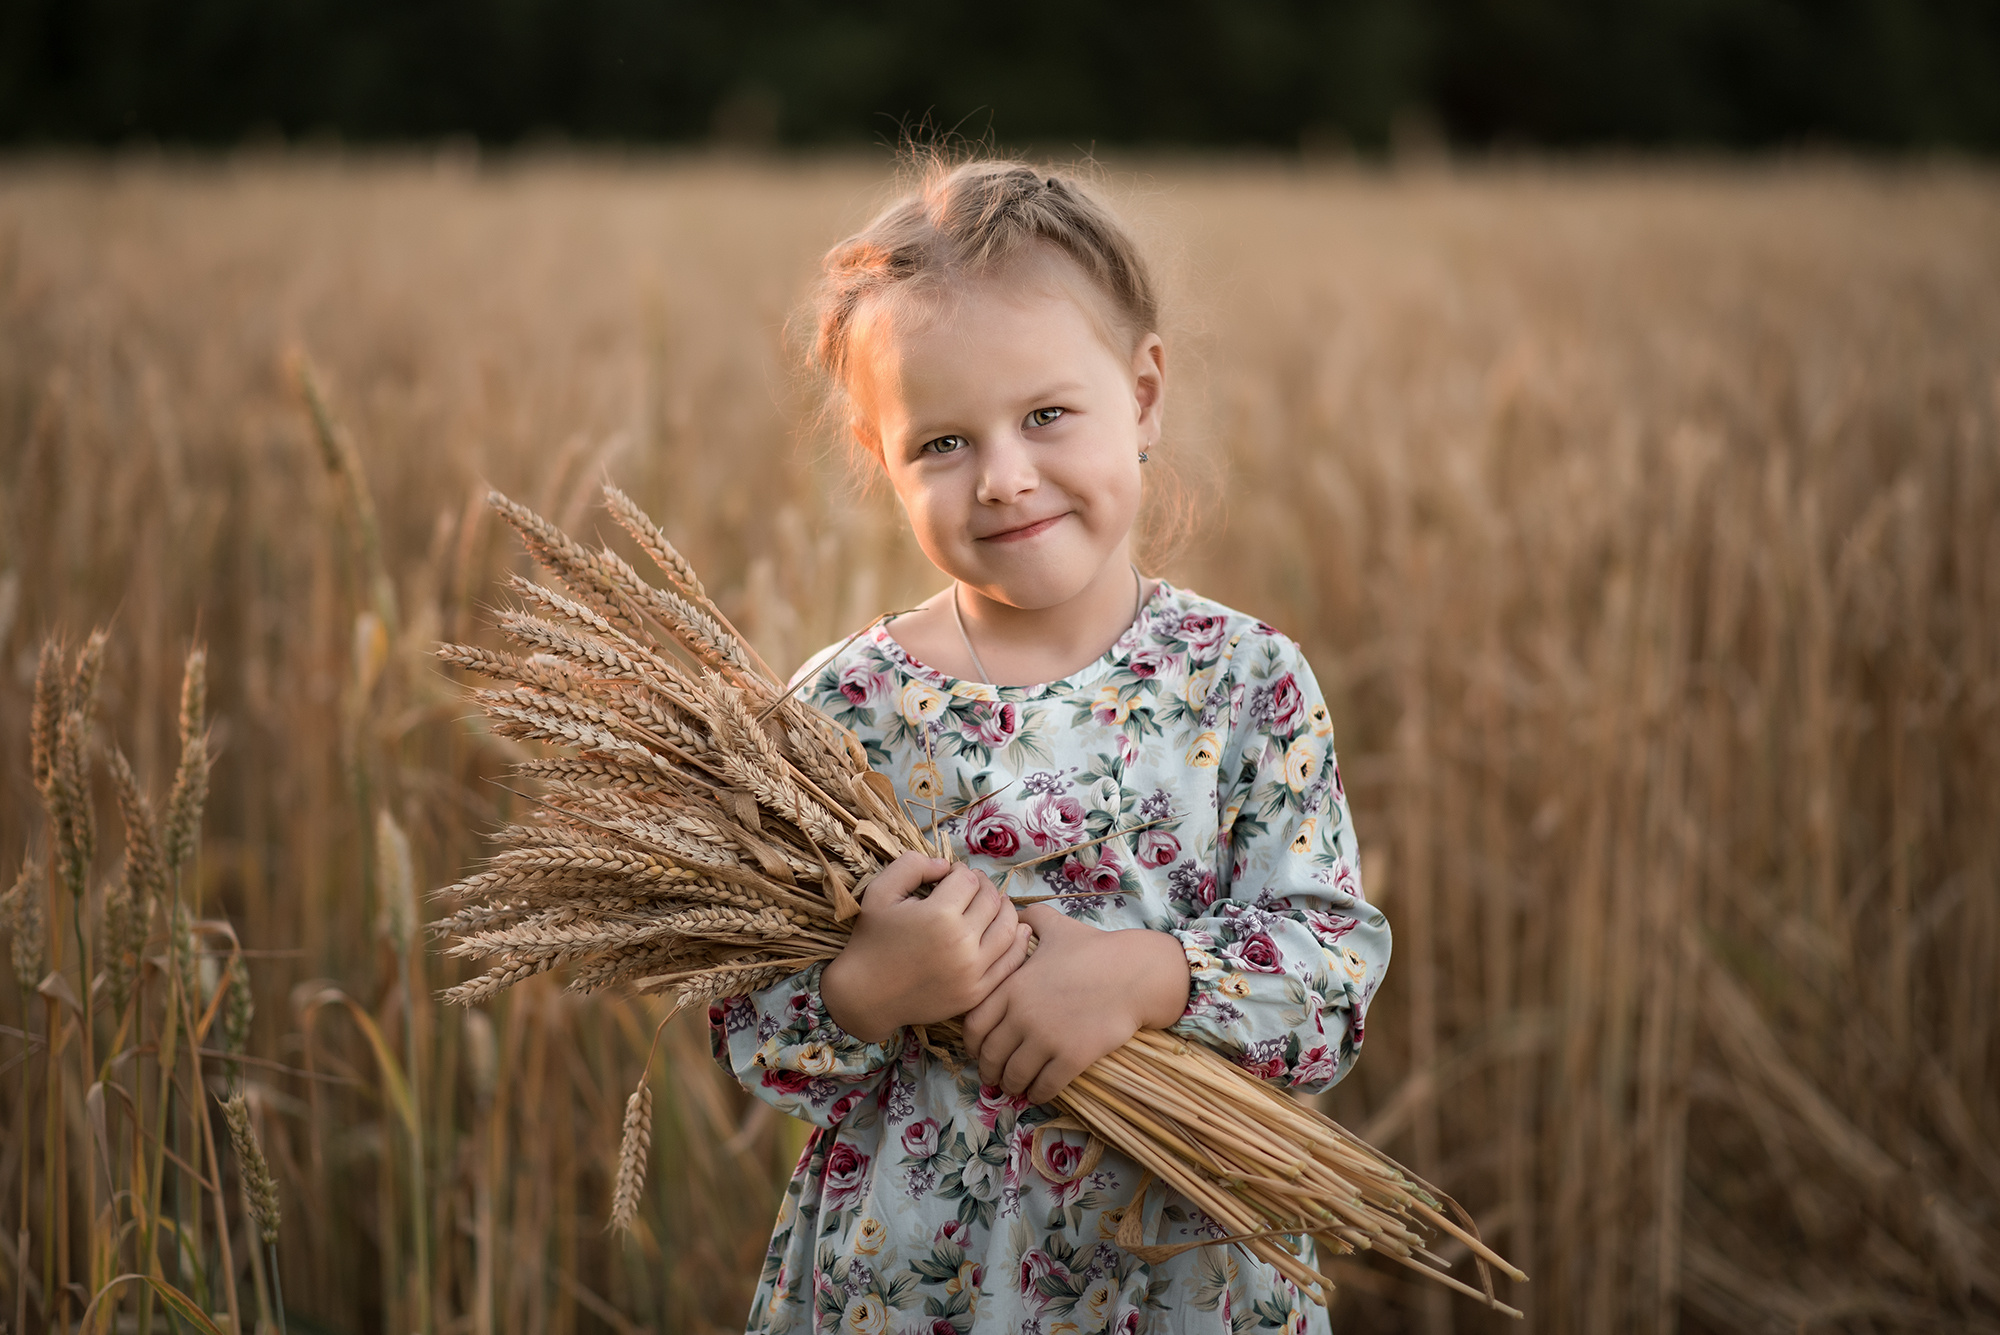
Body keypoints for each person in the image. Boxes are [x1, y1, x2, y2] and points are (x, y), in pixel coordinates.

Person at [709, 156, 1391, 1335]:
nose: (1004, 478)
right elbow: (751, 1029)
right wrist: (866, 987)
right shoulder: (840, 712)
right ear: (878, 454)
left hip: (1184, 1276)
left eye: (1044, 416)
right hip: (920, 1286)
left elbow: (1328, 981)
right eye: (942, 443)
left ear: (1143, 394)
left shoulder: (1241, 681)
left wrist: (1146, 978)